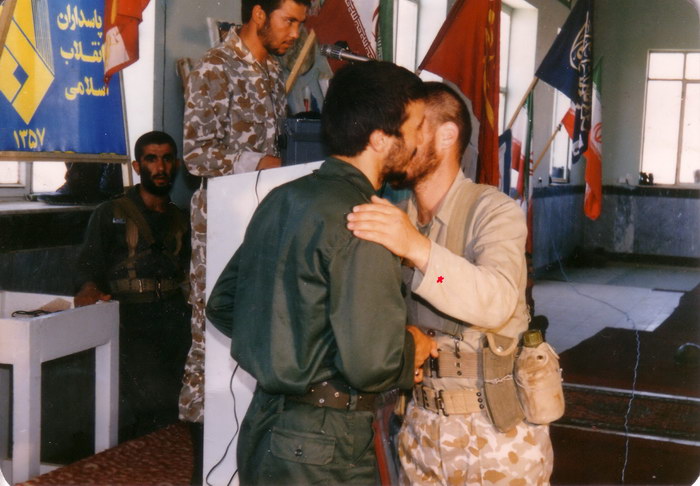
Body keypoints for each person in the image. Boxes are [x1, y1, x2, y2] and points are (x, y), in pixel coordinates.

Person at [205, 61, 438, 485]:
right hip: (324, 447)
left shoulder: (282, 199)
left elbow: (223, 304)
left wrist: (294, 349)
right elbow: (371, 364)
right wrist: (412, 347)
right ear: (380, 139)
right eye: (417, 126)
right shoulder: (368, 220)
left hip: (265, 427)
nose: (423, 138)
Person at [346, 82, 554, 484]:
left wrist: (418, 249)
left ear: (446, 135)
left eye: (409, 128)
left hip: (495, 436)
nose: (396, 141)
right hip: (420, 431)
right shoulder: (396, 215)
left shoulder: (493, 211)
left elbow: (496, 299)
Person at [180, 0, 311, 440]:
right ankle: (204, 448)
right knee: (212, 335)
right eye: (288, 21)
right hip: (220, 223)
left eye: (299, 24)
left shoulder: (272, 70)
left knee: (256, 328)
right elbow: (196, 155)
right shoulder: (215, 67)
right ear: (258, 14)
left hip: (262, 217)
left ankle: (244, 441)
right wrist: (260, 162)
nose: (295, 33)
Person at [74, 131, 191, 443]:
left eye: (166, 159)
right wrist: (88, 288)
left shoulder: (181, 219)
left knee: (180, 403)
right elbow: (88, 265)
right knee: (157, 403)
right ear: (138, 167)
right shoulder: (110, 213)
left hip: (174, 319)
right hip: (131, 321)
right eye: (151, 159)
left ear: (176, 164)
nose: (160, 167)